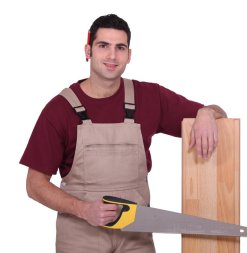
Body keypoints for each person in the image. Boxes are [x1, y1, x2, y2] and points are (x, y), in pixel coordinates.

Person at [20, 14, 226, 253]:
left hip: (136, 236)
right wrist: (83, 209)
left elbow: (219, 112)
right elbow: (34, 184)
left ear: (129, 55)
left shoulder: (150, 97)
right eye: (103, 46)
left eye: (120, 47)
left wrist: (205, 114)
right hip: (80, 236)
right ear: (88, 51)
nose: (112, 56)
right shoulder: (60, 109)